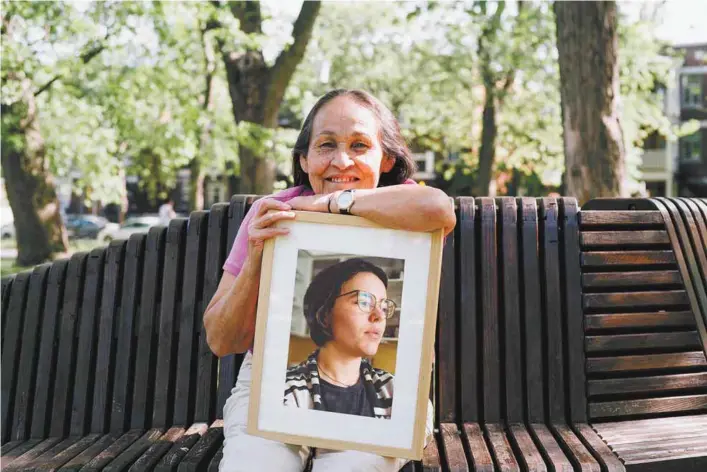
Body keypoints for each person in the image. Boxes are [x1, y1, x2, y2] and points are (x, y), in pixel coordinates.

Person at [204, 89, 456, 472]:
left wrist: (331, 204)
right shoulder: (271, 213)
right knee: (256, 463)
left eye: (359, 145)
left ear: (386, 158)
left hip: (391, 393)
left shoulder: (408, 206)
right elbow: (223, 340)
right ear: (304, 159)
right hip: (271, 380)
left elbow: (439, 209)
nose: (342, 160)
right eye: (326, 145)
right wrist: (257, 256)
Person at [284, 258, 401, 420]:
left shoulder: (395, 390)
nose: (379, 316)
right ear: (325, 314)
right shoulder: (288, 392)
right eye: (364, 301)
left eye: (384, 307)